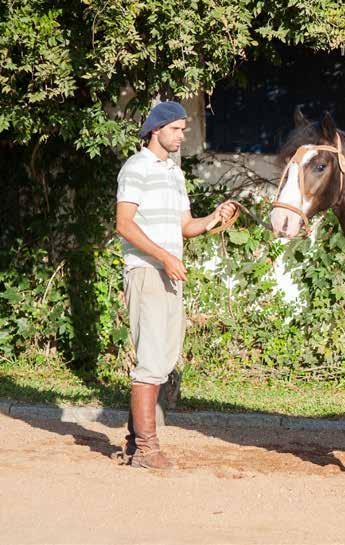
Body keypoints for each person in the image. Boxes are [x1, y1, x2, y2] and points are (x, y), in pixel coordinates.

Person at [115, 101, 234, 468]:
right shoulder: (136, 168)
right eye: (177, 129)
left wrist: (214, 218)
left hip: (169, 273)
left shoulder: (173, 173)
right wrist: (164, 257)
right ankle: (148, 450)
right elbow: (124, 224)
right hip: (148, 272)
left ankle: (136, 444)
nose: (183, 135)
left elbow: (185, 226)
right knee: (151, 359)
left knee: (163, 357)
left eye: (184, 129)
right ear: (156, 130)